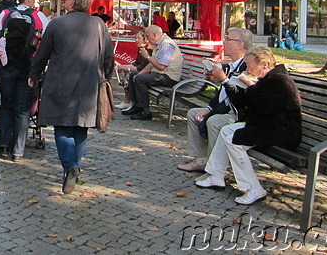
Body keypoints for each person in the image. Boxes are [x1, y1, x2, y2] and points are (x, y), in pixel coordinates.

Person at [29, 0, 114, 194]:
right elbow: (109, 57)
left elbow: (42, 54)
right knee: (81, 127)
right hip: (89, 84)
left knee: (62, 127)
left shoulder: (57, 24)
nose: (65, 0)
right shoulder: (98, 25)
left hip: (60, 82)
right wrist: (105, 78)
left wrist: (34, 75)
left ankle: (71, 166)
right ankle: (74, 166)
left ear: (72, 1)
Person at [195, 46, 302, 205]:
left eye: (251, 67)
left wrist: (251, 87)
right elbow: (246, 103)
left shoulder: (279, 81)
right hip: (266, 125)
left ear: (264, 65)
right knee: (226, 130)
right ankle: (216, 175)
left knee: (234, 140)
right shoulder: (266, 79)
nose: (249, 70)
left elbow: (264, 107)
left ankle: (254, 188)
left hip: (282, 131)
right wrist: (233, 84)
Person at [177, 28, 252, 172]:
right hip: (225, 108)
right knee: (194, 113)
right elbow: (222, 94)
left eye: (228, 39)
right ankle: (201, 159)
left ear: (239, 44)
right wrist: (209, 108)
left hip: (237, 114)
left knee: (214, 121)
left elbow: (240, 100)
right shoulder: (232, 64)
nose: (224, 41)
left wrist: (223, 79)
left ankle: (215, 167)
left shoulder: (246, 66)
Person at [0, 0, 49, 162]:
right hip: (29, 67)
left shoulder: (5, 14)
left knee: (6, 104)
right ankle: (17, 151)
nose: (34, 0)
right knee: (23, 109)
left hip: (6, 66)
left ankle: (2, 144)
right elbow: (45, 46)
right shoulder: (40, 17)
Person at [121, 24, 182, 121]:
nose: (148, 39)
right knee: (134, 75)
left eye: (148, 36)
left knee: (140, 79)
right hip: (160, 74)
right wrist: (138, 74)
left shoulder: (166, 44)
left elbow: (161, 67)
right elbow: (150, 65)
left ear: (155, 35)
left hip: (169, 77)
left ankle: (145, 111)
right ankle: (136, 106)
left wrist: (147, 57)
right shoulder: (159, 44)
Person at [114, 30, 151, 110]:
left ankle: (131, 102)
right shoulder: (140, 49)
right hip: (142, 71)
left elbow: (142, 67)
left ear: (145, 39)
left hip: (147, 72)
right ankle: (127, 100)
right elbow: (136, 63)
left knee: (130, 74)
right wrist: (123, 66)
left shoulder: (147, 50)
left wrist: (126, 68)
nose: (136, 40)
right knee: (125, 73)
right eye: (135, 38)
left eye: (139, 38)